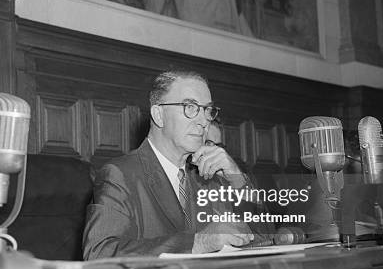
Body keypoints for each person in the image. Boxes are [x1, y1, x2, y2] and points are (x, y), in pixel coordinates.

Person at [83, 70, 256, 259]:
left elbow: (264, 235)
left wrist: (236, 179)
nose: (204, 121)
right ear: (159, 115)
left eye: (207, 110)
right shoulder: (119, 175)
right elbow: (99, 254)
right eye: (190, 107)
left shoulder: (207, 175)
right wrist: (198, 243)